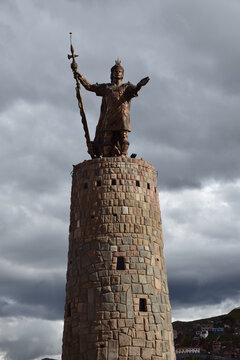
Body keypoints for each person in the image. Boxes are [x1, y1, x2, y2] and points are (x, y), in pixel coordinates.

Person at [74, 59, 149, 157]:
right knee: (107, 138)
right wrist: (80, 76)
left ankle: (123, 154)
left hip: (123, 115)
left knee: (124, 136)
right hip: (109, 116)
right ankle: (106, 155)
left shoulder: (127, 87)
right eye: (116, 71)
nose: (117, 73)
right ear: (112, 74)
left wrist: (140, 85)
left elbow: (135, 89)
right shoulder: (106, 88)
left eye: (120, 71)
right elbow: (89, 87)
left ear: (122, 74)